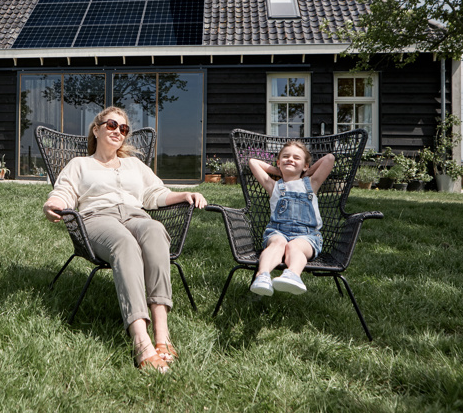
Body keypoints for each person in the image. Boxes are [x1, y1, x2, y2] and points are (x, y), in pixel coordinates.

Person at [42, 106, 207, 372]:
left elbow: (155, 194)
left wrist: (184, 195)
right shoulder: (79, 164)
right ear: (96, 129)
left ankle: (162, 336)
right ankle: (141, 341)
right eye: (111, 125)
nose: (118, 131)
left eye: (124, 128)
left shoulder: (134, 165)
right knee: (125, 243)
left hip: (135, 216)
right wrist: (53, 204)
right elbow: (64, 192)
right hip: (98, 219)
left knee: (154, 231)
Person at [247, 141, 335, 297]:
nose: (290, 159)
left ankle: (293, 274)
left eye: (296, 158)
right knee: (277, 243)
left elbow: (329, 158)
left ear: (305, 165)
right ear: (279, 162)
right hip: (277, 231)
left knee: (294, 246)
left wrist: (306, 172)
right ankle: (262, 276)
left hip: (307, 236)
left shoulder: (311, 183)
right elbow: (253, 162)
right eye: (286, 157)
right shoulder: (273, 186)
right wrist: (279, 170)